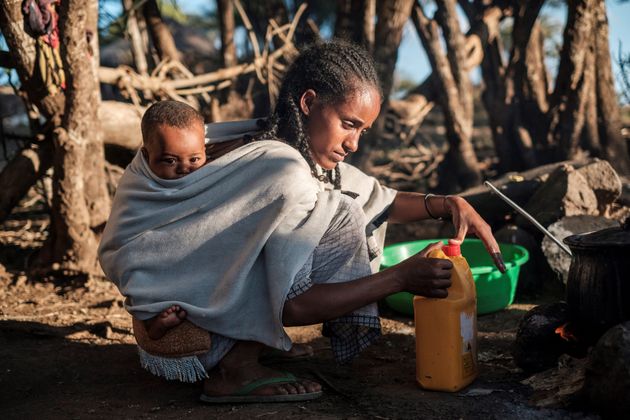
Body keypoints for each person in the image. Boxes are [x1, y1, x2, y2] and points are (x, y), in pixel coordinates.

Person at [98, 40, 505, 404]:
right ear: (308, 102)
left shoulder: (281, 145)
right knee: (338, 213)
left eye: (363, 130)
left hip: (180, 299)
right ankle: (235, 367)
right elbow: (294, 304)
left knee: (338, 205)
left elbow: (379, 197)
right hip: (179, 318)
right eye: (348, 124)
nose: (354, 143)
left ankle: (252, 339)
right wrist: (399, 278)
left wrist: (448, 203)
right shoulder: (281, 167)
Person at [138, 100, 209, 338]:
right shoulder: (139, 189)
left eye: (195, 159)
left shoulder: (215, 180)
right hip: (159, 275)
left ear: (205, 153)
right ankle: (152, 324)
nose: (184, 169)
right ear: (147, 156)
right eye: (170, 160)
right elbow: (122, 246)